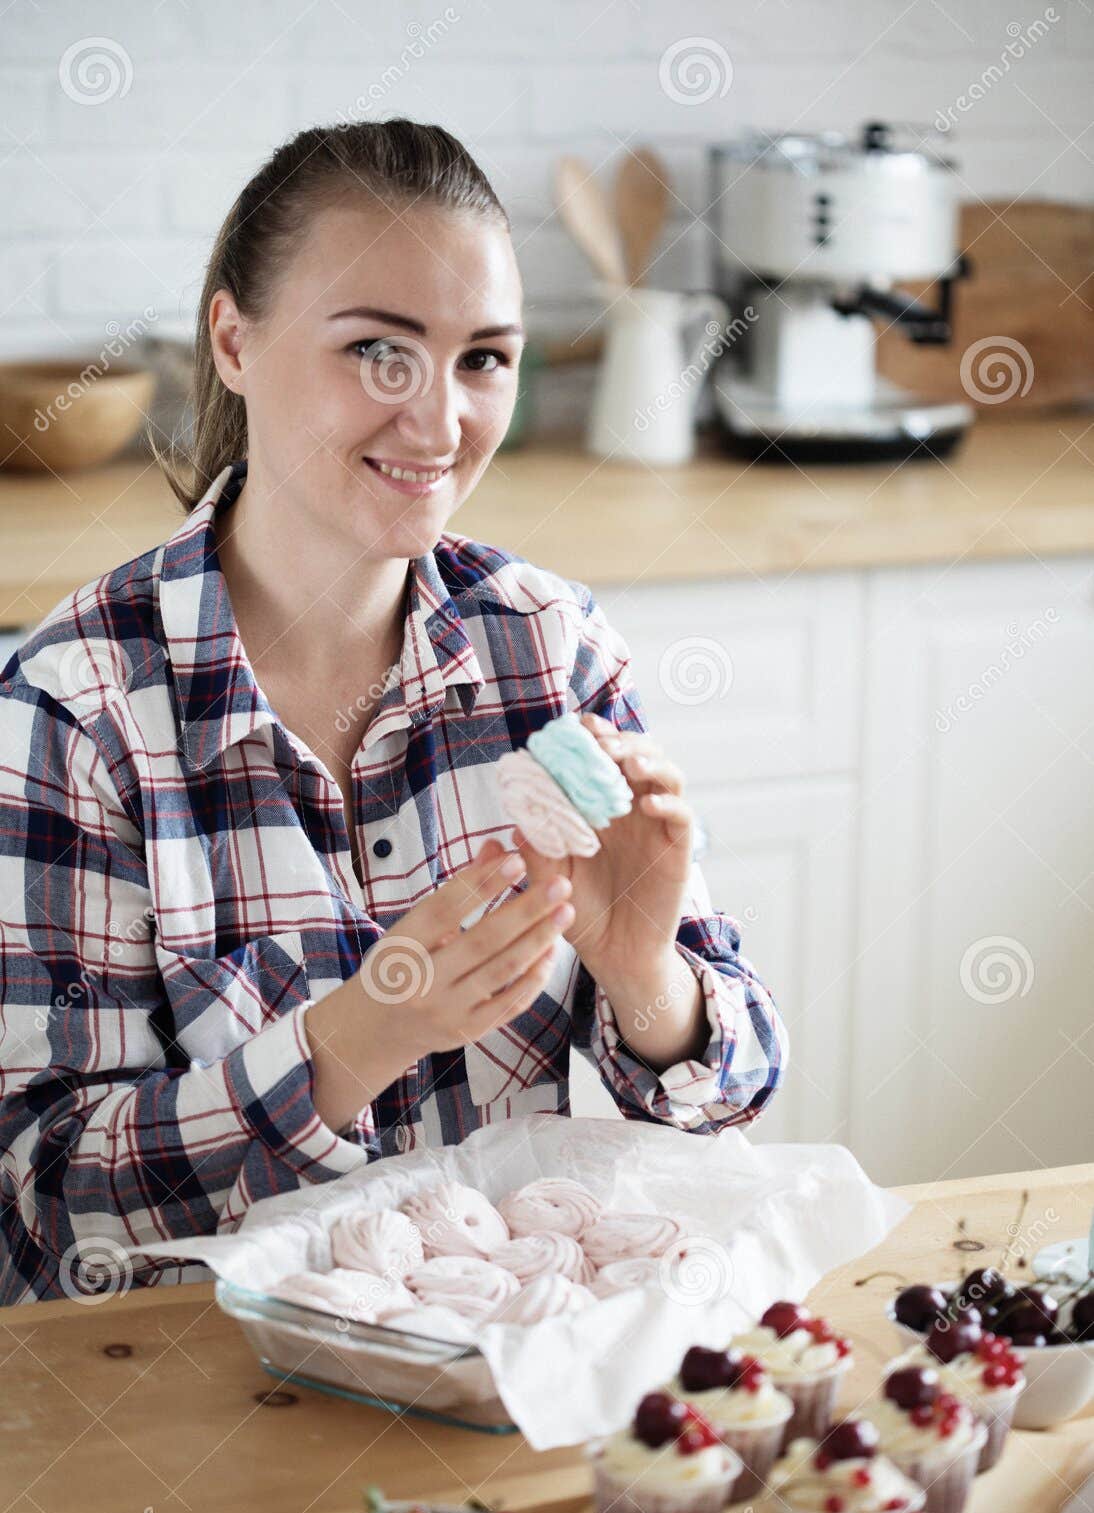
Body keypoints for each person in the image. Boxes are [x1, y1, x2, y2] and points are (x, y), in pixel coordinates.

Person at [0, 120, 788, 1305]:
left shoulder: (549, 649)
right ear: (233, 338)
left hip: (505, 1388)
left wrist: (643, 985)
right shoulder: (77, 716)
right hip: (203, 1413)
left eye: (483, 359)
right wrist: (355, 1038)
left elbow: (727, 1095)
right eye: (378, 350)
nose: (438, 423)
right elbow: (45, 1200)